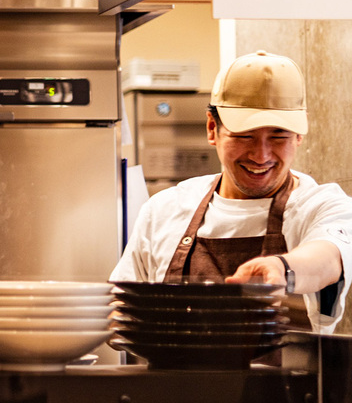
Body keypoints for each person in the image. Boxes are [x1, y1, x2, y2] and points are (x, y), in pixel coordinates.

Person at [112, 50, 352, 332]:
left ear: (299, 135)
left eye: (279, 136)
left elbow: (328, 257)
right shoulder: (164, 209)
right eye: (244, 136)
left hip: (289, 365)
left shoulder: (323, 206)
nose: (261, 155)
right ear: (212, 128)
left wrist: (281, 269)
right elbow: (120, 312)